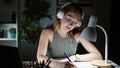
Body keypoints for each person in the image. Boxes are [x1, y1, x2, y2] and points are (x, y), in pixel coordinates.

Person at [37, 2, 103, 68]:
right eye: (69, 19)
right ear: (60, 15)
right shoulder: (47, 32)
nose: (71, 25)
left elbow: (98, 56)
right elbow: (40, 57)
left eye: (75, 22)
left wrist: (75, 57)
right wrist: (62, 65)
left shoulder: (77, 35)